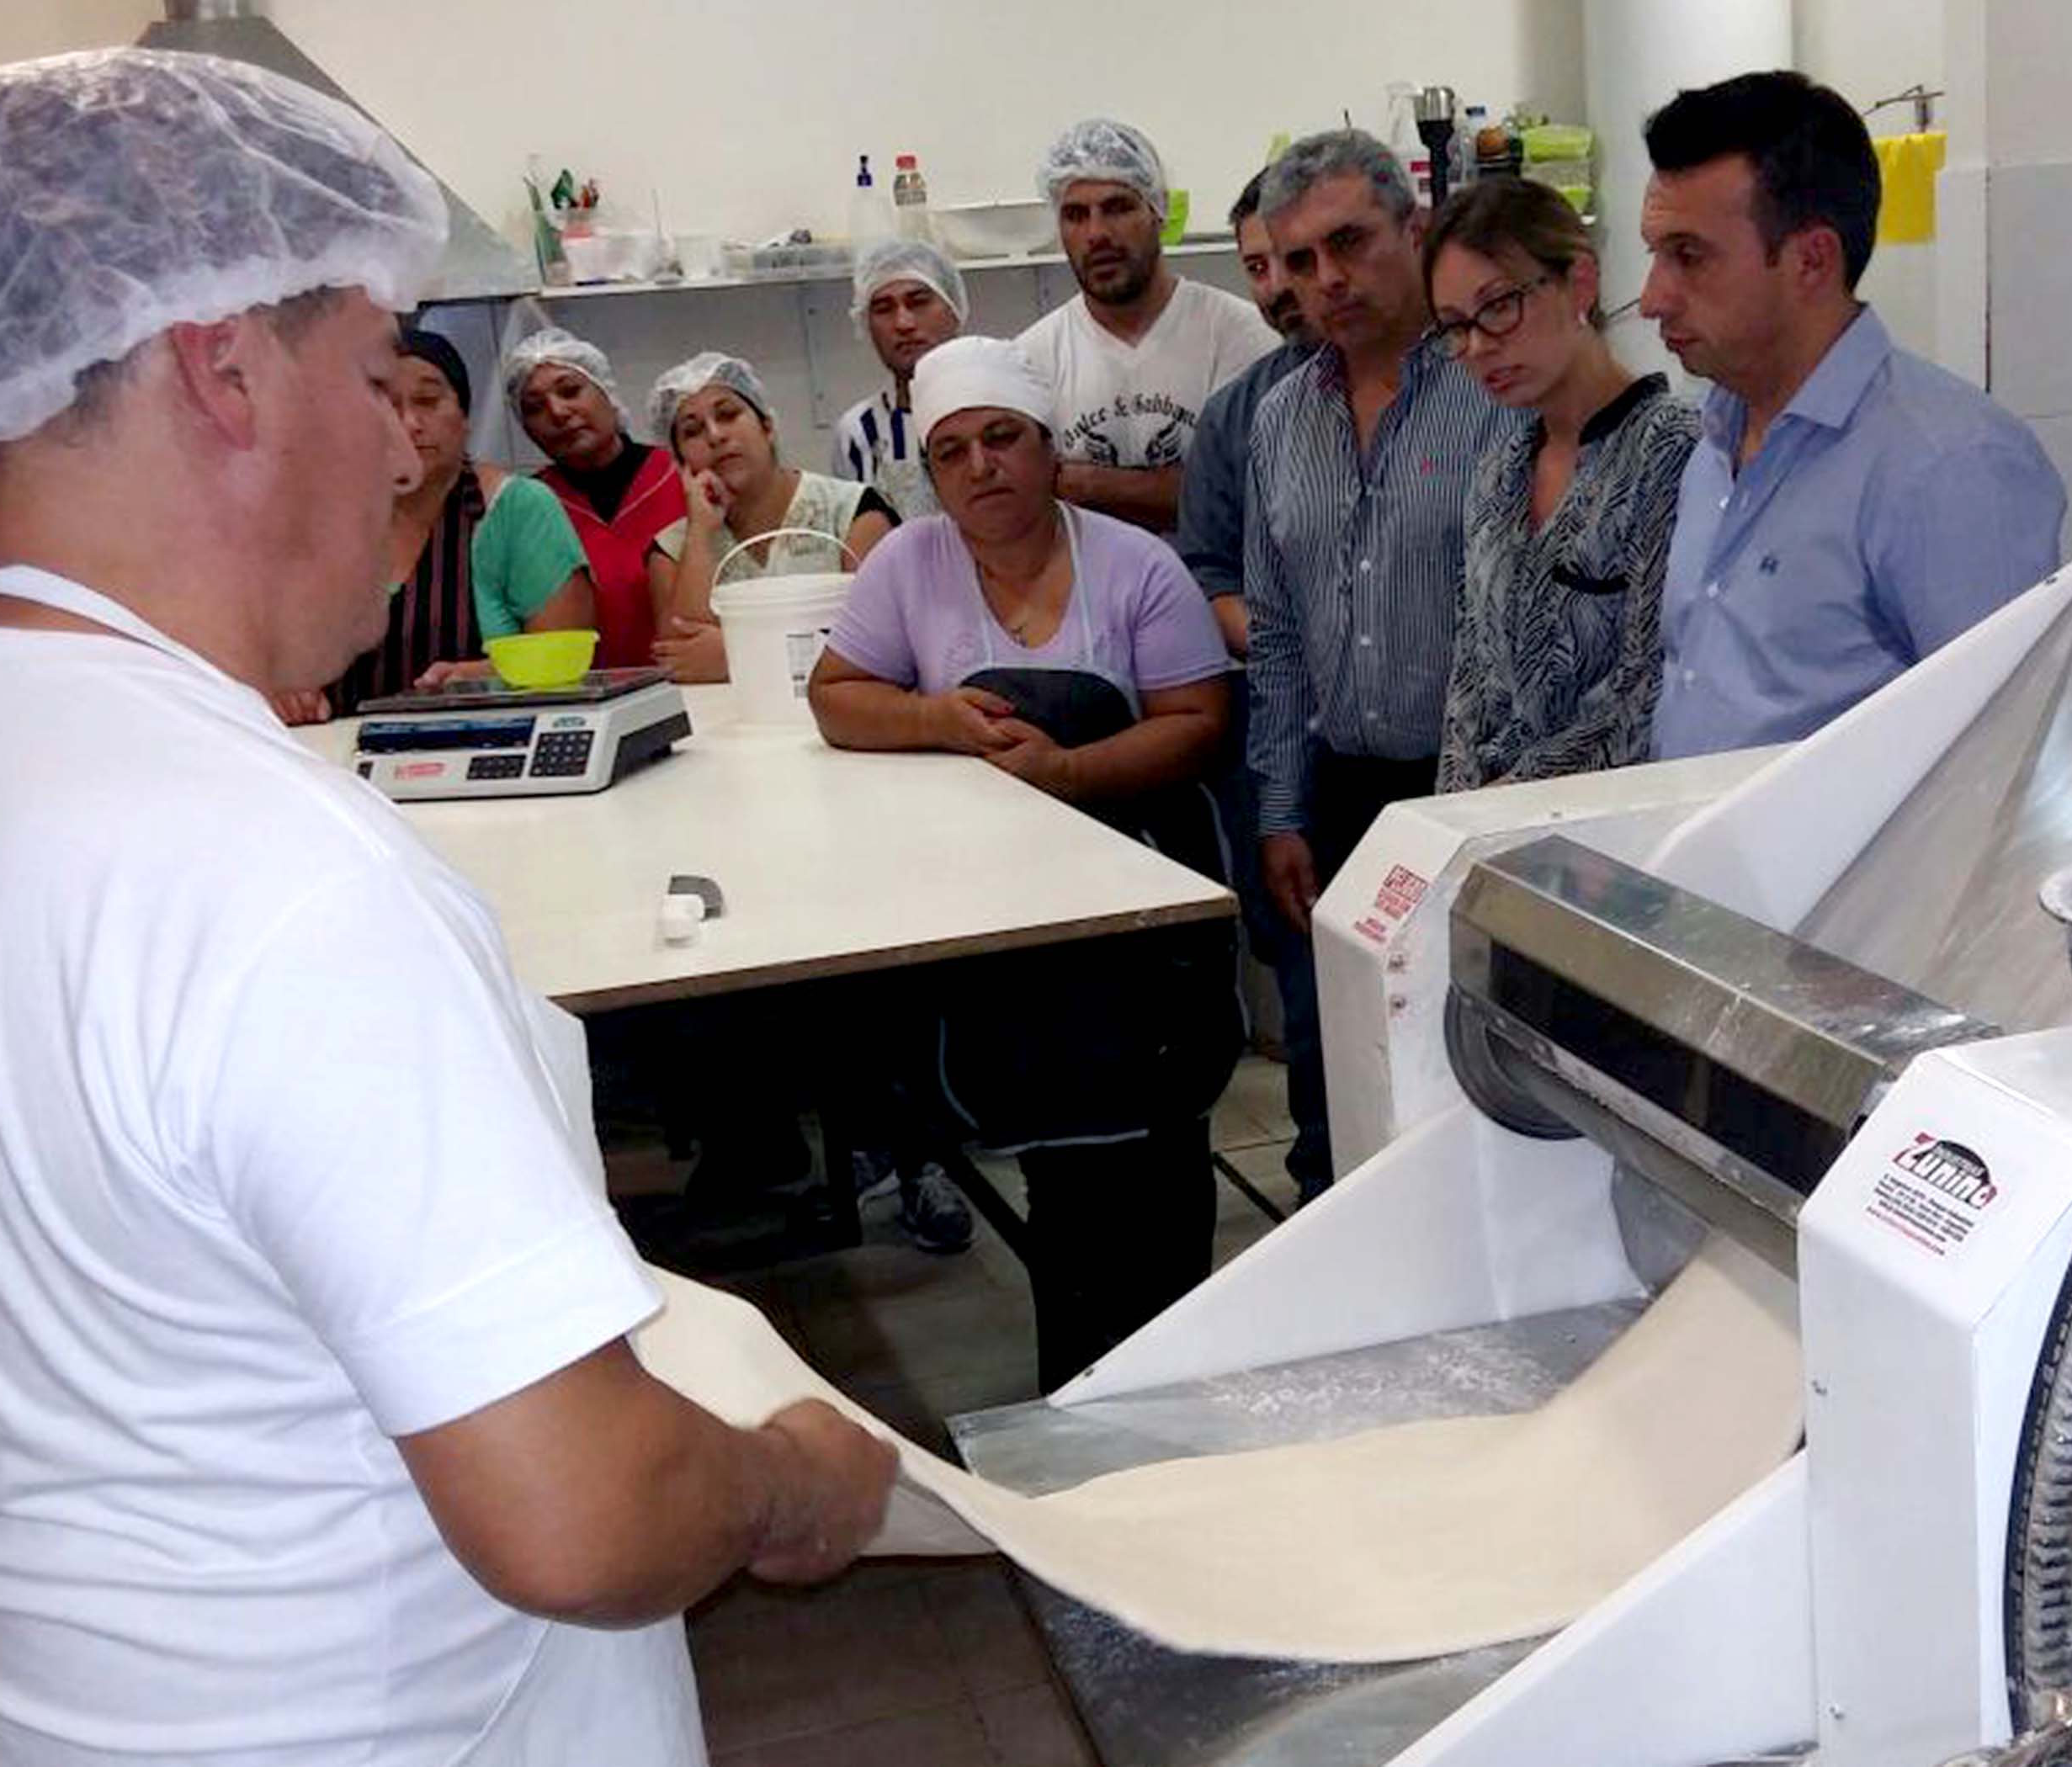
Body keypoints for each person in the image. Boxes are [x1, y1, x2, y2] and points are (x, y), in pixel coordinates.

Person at [0, 47, 895, 1766]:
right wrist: (785, 1478)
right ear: (225, 367)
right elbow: (581, 1520)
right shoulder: (268, 869)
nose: (404, 442)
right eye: (379, 369)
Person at [809, 335, 1240, 1385]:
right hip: (1003, 923)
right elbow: (834, 695)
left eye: (1002, 439)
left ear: (1049, 451)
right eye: (952, 451)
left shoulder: (1137, 566)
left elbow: (1198, 721)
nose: (980, 466)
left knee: (1152, 1145)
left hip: (1141, 916)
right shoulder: (911, 562)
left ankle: (1172, 1382)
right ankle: (1083, 1382)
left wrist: (1072, 773)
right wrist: (937, 720)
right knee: (1056, 1152)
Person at [1638, 71, 2065, 758]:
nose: (1653, 297)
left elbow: (2002, 762)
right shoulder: (1714, 440)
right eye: (1656, 255)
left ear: (1811, 259)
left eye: (1689, 257)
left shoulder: (1948, 464)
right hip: (1696, 857)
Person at [1243, 130, 1506, 1199]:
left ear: (1416, 229)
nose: (1327, 280)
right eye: (1299, 261)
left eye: (1349, 243)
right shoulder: (1278, 420)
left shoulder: (1498, 394)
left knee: (1470, 1084)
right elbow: (1274, 631)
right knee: (1335, 1084)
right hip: (1342, 800)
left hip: (1476, 802)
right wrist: (1279, 809)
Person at [1426, 178, 1698, 791]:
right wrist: (1449, 819)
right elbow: (1470, 677)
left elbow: (1648, 685)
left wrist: (1509, 803)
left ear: (1579, 282)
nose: (1476, 346)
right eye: (1453, 326)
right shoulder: (1498, 473)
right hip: (1485, 826)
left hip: (1612, 823)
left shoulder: (1673, 451)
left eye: (1498, 306)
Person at [1019, 118, 1272, 533]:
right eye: (1076, 215)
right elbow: (1031, 510)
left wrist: (1085, 485)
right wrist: (1174, 489)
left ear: (1159, 213)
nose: (1096, 233)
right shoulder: (1032, 360)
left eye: (1118, 208)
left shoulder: (1239, 335)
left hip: (1217, 596)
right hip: (1090, 598)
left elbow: (1245, 501)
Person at [326, 326, 594, 708]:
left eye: (428, 400)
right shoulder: (329, 521)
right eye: (385, 405)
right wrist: (290, 692)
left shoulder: (517, 510)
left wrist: (487, 677)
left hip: (487, 745)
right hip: (339, 758)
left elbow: (566, 669)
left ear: (464, 415)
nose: (409, 425)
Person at [645, 352, 898, 685]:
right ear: (679, 460)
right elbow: (683, 661)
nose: (715, 436)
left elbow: (881, 646)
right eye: (692, 432)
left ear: (767, 426)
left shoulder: (853, 512)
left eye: (728, 415)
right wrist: (701, 532)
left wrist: (738, 656)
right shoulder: (673, 548)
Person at [1175, 169, 1319, 659]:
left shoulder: (1462, 386)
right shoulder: (1234, 416)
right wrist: (1304, 664)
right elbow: (1211, 577)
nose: (1276, 285)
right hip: (1294, 714)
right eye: (1256, 267)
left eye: (1291, 259)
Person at [506, 326, 688, 671]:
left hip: (689, 690)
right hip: (582, 702)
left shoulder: (682, 477)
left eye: (571, 391)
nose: (558, 412)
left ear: (607, 392)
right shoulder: (527, 508)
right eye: (534, 407)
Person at [831, 239, 967, 521]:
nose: (903, 323)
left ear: (954, 309)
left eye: (918, 302)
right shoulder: (859, 434)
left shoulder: (1004, 408)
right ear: (866, 325)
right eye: (883, 308)